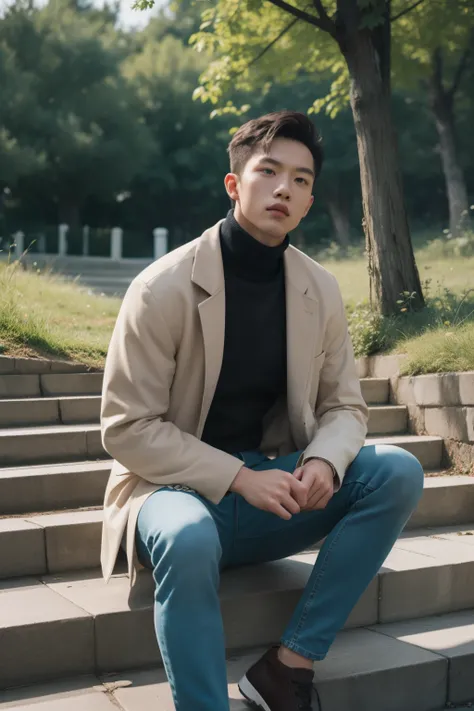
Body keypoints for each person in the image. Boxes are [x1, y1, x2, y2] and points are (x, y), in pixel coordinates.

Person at [100, 110, 424, 711]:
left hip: (276, 492)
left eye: (301, 180)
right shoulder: (160, 288)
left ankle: (287, 668)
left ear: (308, 201)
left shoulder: (319, 287)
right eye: (269, 171)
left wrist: (325, 461)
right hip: (175, 495)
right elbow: (126, 426)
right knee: (191, 536)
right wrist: (240, 478)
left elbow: (344, 406)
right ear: (234, 184)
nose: (284, 189)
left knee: (398, 471)